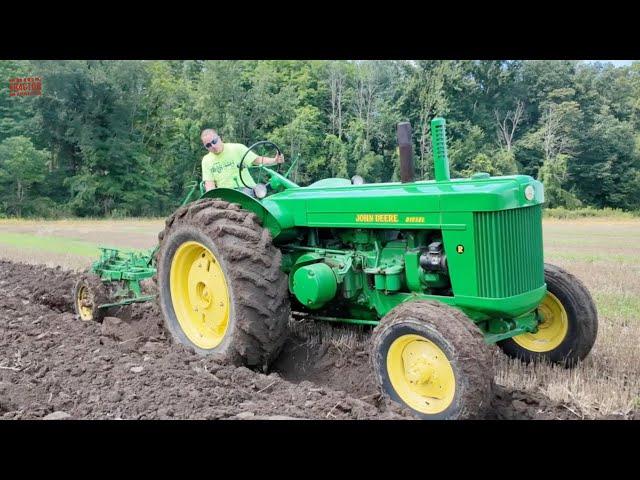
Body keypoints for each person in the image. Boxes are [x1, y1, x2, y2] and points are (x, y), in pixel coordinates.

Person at [200, 129, 284, 192]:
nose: (213, 146)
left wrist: (274, 160)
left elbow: (257, 160)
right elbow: (210, 185)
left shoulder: (237, 148)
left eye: (214, 141)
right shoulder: (206, 160)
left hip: (246, 189)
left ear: (219, 138)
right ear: (206, 147)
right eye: (208, 145)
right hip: (226, 194)